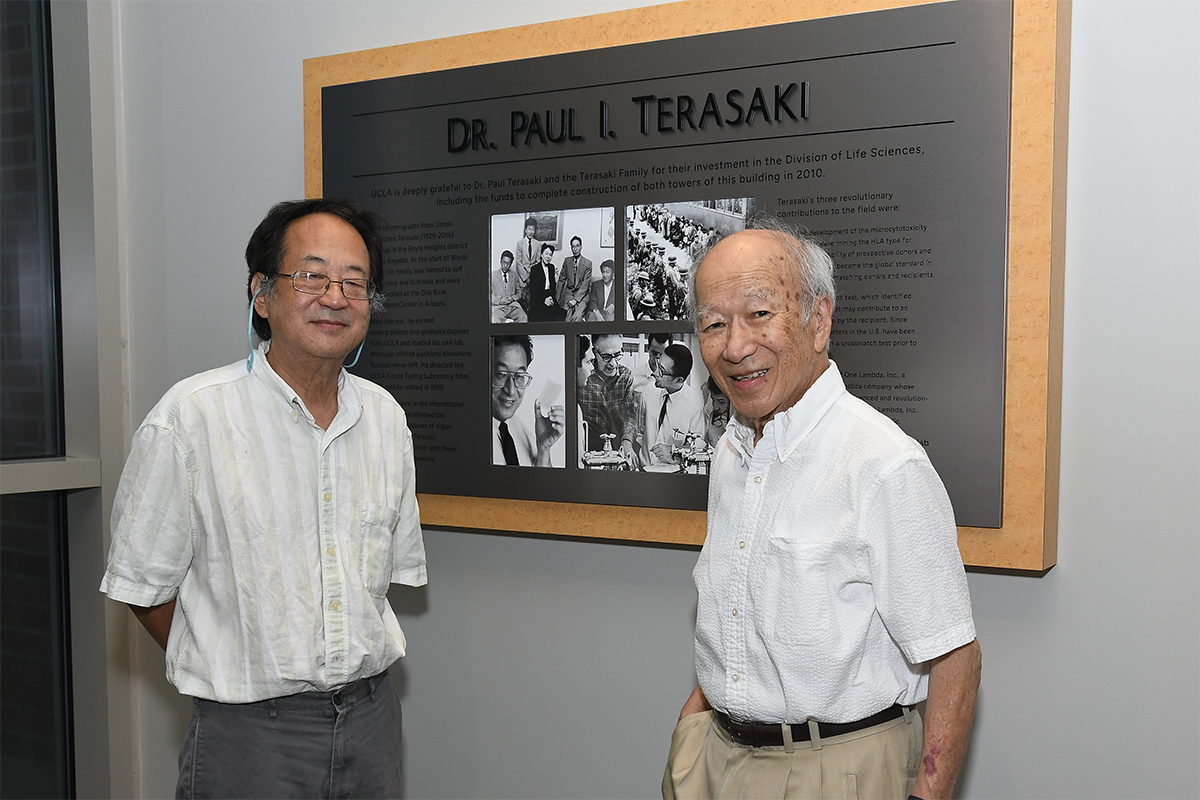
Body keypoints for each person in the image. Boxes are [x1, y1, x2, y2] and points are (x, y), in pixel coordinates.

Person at [100, 199, 427, 800]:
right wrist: (230, 661)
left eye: (354, 282)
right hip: (248, 735)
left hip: (372, 721)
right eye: (312, 275)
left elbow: (381, 585)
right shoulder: (192, 416)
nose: (335, 297)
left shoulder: (385, 419)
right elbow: (142, 588)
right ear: (261, 292)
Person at [664, 221, 980, 800]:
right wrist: (693, 735)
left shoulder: (882, 463)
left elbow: (955, 655)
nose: (734, 347)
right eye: (713, 324)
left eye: (760, 315)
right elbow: (735, 614)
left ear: (819, 320)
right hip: (715, 759)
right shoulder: (732, 452)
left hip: (838, 773)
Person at [490, 334, 565, 466]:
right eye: (501, 374)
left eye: (519, 376)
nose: (511, 390)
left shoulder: (517, 427)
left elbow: (541, 485)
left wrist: (544, 448)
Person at [577, 332, 642, 464]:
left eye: (617, 355)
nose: (613, 363)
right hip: (588, 451)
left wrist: (627, 441)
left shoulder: (626, 375)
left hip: (619, 447)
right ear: (594, 352)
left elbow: (629, 414)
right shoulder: (582, 375)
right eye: (606, 356)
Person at [643, 343, 706, 466]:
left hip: (670, 474)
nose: (655, 373)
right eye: (657, 365)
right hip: (643, 469)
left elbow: (698, 446)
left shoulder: (694, 404)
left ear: (679, 380)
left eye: (662, 371)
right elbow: (640, 431)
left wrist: (672, 450)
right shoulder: (649, 390)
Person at [556, 235, 592, 322]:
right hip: (569, 294)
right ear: (571, 248)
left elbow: (585, 285)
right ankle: (570, 335)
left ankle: (578, 335)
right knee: (566, 318)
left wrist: (575, 300)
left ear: (581, 247)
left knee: (577, 316)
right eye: (573, 246)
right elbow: (561, 280)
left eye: (577, 246)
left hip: (582, 296)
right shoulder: (567, 261)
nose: (575, 249)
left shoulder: (587, 263)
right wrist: (556, 298)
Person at [527, 243, 564, 322]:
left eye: (550, 255)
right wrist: (544, 300)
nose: (548, 257)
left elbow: (552, 286)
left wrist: (550, 297)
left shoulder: (551, 267)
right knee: (545, 318)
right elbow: (533, 290)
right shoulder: (535, 269)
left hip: (550, 297)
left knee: (560, 316)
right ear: (541, 255)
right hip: (538, 299)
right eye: (546, 254)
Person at [490, 249, 527, 323]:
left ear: (511, 264)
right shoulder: (493, 275)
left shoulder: (514, 275)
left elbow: (519, 292)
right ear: (500, 261)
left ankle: (518, 334)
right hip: (498, 307)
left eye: (508, 263)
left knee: (523, 317)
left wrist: (513, 298)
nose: (505, 265)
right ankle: (506, 323)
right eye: (504, 262)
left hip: (513, 306)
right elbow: (487, 295)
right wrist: (500, 300)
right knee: (495, 320)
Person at [512, 217, 542, 299]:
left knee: (533, 299)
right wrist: (526, 277)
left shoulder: (538, 245)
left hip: (534, 277)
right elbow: (519, 262)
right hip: (522, 279)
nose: (531, 232)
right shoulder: (519, 244)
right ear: (525, 230)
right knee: (523, 299)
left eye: (533, 229)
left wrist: (532, 276)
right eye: (529, 229)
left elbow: (538, 261)